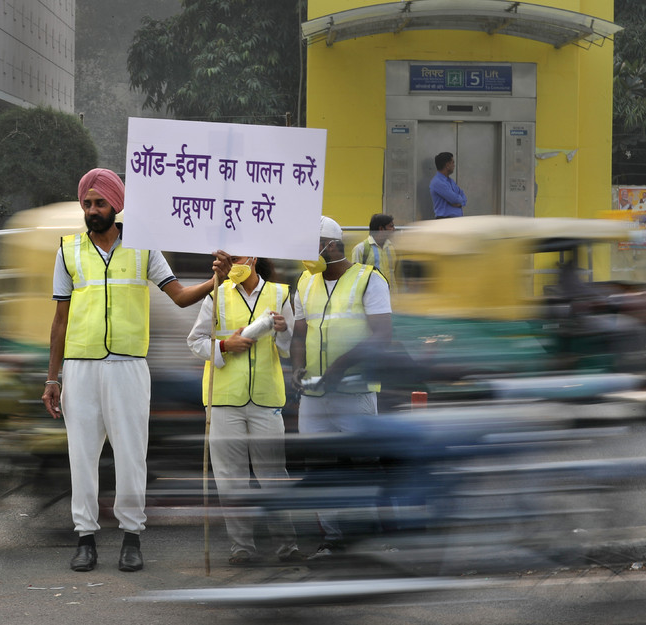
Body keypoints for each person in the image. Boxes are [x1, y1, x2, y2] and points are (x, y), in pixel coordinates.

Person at [42, 168, 231, 573]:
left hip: (128, 367)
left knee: (131, 456)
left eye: (100, 203)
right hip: (79, 368)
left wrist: (215, 281)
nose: (93, 210)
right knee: (82, 457)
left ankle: (131, 538)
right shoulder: (68, 250)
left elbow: (179, 296)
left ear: (116, 205)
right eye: (87, 204)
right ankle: (85, 538)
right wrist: (52, 378)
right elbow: (59, 320)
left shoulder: (144, 249)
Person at [186, 254, 304, 566]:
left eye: (235, 257)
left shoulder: (279, 293)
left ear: (251, 258)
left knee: (273, 474)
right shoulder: (216, 294)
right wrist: (225, 346)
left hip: (266, 398)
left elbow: (287, 347)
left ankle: (286, 545)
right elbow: (196, 342)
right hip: (224, 398)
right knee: (230, 478)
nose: (229, 263)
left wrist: (281, 330)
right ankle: (242, 547)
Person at [291, 216, 392, 557]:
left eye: (313, 245)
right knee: (318, 468)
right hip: (315, 395)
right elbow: (300, 334)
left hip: (354, 391)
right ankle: (332, 539)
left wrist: (339, 367)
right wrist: (296, 366)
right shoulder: (305, 282)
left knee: (366, 463)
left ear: (332, 245)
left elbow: (382, 335)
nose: (308, 254)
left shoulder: (369, 280)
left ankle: (378, 535)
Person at [350, 213, 398, 292]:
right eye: (391, 226)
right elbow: (355, 277)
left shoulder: (391, 248)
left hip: (391, 298)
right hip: (371, 298)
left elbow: (393, 273)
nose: (394, 229)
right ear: (381, 229)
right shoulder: (360, 249)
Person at [429, 152, 467, 219]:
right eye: (452, 162)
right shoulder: (437, 182)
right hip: (445, 220)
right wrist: (459, 200)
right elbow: (454, 199)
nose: (454, 165)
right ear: (447, 165)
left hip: (454, 220)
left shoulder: (450, 181)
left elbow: (462, 194)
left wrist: (460, 203)